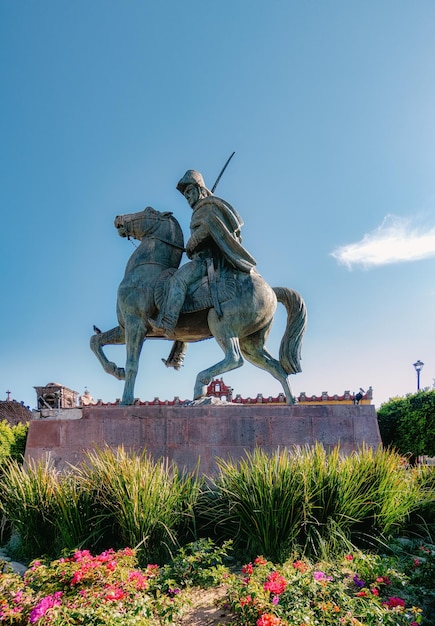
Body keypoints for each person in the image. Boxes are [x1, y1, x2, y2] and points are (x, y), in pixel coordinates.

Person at [148, 169, 256, 338]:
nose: (188, 197)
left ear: (200, 190)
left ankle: (167, 323)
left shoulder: (207, 207)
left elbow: (208, 227)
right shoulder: (201, 209)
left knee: (178, 280)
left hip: (206, 262)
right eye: (186, 195)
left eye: (190, 192)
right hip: (202, 259)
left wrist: (192, 242)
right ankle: (178, 353)